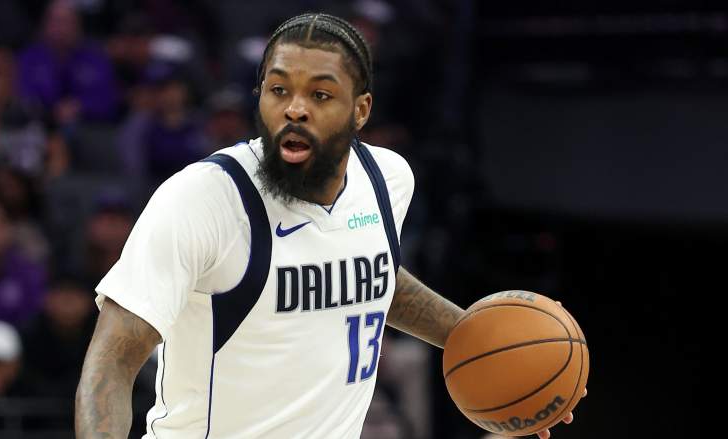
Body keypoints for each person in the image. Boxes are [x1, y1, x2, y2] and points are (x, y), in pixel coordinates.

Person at [75, 13, 584, 439]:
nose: (295, 109)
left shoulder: (388, 180)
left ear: (360, 110)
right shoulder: (203, 199)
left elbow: (370, 273)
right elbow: (112, 363)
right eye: (279, 90)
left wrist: (486, 344)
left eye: (320, 95)